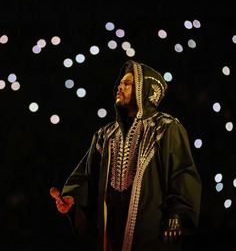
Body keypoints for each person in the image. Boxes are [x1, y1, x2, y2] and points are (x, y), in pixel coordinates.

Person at [50, 59, 202, 251]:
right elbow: (86, 176)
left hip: (151, 234)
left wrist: (179, 214)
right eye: (120, 83)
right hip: (111, 235)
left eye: (127, 83)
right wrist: (73, 200)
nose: (119, 87)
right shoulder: (105, 135)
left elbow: (183, 172)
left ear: (144, 90)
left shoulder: (166, 128)